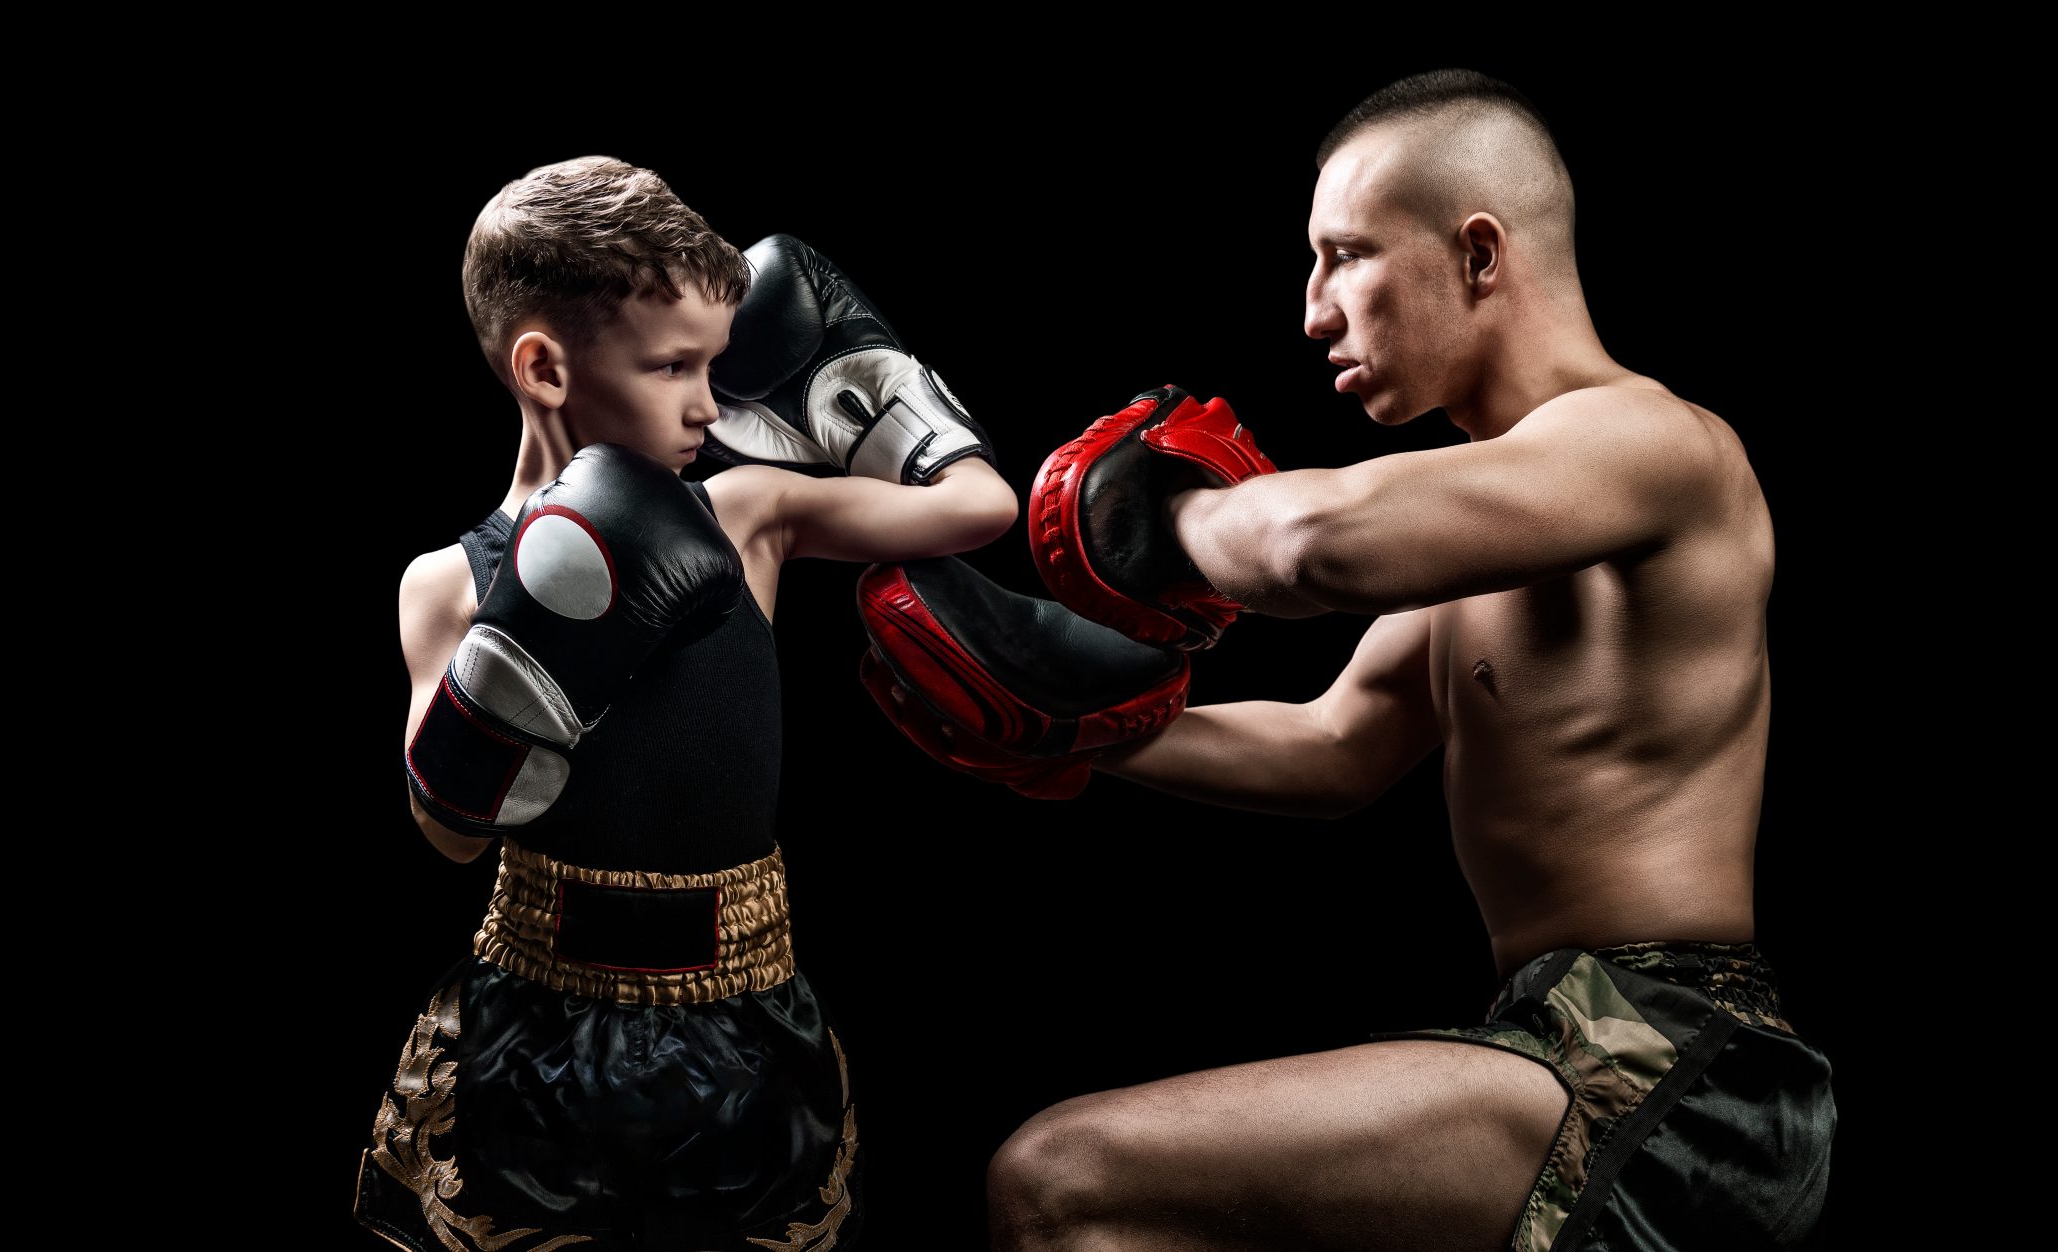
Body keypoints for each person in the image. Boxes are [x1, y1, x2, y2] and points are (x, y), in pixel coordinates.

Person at [859, 71, 1834, 1250]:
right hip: (1560, 1044)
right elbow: (1332, 746)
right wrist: (1068, 723)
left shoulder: (1652, 444)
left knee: (1063, 1180)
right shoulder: (1497, 523)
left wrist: (1161, 521)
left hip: (1679, 1058)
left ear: (1479, 255)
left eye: (1347, 255)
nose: (1314, 310)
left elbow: (1317, 544)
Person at [360, 155, 1016, 1252]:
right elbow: (448, 835)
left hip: (747, 1010)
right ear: (545, 367)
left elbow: (981, 508)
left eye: (715, 363)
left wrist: (875, 386)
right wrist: (526, 644)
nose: (711, 403)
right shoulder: (449, 582)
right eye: (674, 367)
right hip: (528, 1025)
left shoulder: (746, 511)